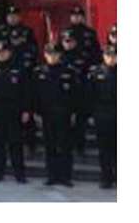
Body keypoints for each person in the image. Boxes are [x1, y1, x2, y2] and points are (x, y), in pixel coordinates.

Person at [0, 40, 31, 183]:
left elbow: (26, 91)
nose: (1, 54)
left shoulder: (19, 69)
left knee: (16, 144)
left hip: (14, 111)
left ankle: (19, 174)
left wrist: (26, 110)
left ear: (10, 52)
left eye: (4, 51)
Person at [32, 43, 81, 187]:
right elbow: (34, 95)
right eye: (49, 54)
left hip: (64, 114)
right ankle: (51, 175)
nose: (52, 57)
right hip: (46, 114)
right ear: (45, 55)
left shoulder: (69, 72)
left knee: (65, 146)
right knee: (50, 146)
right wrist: (36, 112)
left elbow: (76, 94)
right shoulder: (39, 72)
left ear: (60, 55)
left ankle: (65, 176)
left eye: (55, 54)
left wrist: (74, 112)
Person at [87, 45, 117, 189]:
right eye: (108, 55)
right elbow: (90, 95)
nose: (111, 58)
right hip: (102, 113)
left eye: (114, 56)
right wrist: (91, 114)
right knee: (104, 148)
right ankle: (106, 178)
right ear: (104, 56)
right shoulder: (95, 72)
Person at [60, 29, 92, 156]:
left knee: (80, 124)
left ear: (75, 42)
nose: (68, 44)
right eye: (65, 41)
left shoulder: (83, 56)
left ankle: (80, 147)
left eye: (70, 41)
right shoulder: (59, 56)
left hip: (80, 95)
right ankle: (67, 147)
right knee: (64, 124)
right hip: (64, 97)